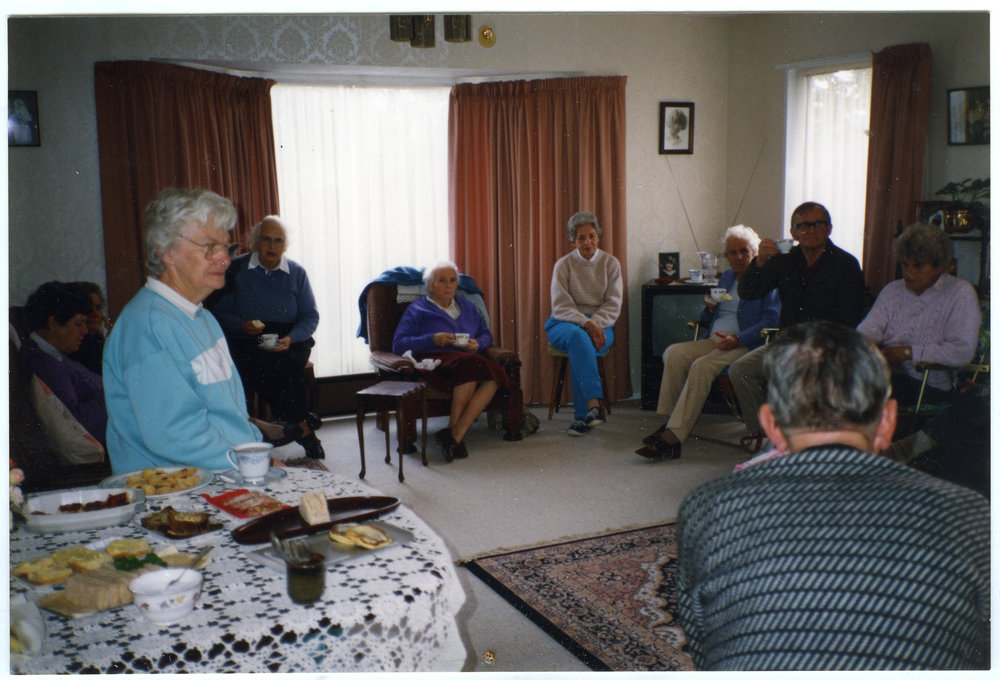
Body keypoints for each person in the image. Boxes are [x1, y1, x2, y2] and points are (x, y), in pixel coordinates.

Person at [676, 321, 990, 671]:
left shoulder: (707, 509)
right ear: (887, 422)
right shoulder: (968, 512)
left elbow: (703, 646)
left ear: (771, 425)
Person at [103, 188, 266, 473]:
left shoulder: (201, 316)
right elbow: (175, 433)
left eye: (226, 247)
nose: (225, 260)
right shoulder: (148, 326)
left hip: (223, 472)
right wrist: (249, 463)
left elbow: (227, 414)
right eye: (209, 247)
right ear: (166, 251)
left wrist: (254, 450)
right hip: (177, 488)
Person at [729, 201, 865, 452]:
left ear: (829, 229)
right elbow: (748, 292)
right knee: (741, 370)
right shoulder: (784, 261)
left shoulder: (845, 264)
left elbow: (852, 317)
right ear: (793, 232)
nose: (811, 230)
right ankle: (760, 430)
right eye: (804, 225)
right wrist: (759, 262)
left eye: (818, 224)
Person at [635, 225, 779, 460]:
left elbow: (771, 320)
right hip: (714, 339)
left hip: (743, 343)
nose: (738, 257)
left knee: (702, 366)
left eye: (744, 251)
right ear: (726, 256)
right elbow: (707, 317)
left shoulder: (766, 280)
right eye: (732, 252)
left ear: (754, 252)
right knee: (673, 353)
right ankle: (670, 422)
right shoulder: (728, 277)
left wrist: (738, 338)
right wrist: (709, 308)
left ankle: (672, 439)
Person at [211, 215, 323, 459]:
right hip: (248, 337)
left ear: (285, 245)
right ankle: (300, 427)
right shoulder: (237, 269)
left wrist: (292, 337)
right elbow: (220, 312)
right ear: (255, 242)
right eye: (266, 240)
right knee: (255, 364)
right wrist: (242, 326)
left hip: (289, 338)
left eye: (278, 241)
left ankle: (289, 426)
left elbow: (310, 316)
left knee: (283, 362)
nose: (272, 246)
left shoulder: (296, 273)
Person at [392, 261, 507, 462]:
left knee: (494, 376)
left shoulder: (468, 307)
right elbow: (399, 344)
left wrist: (477, 344)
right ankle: (454, 436)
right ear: (430, 285)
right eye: (442, 281)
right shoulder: (417, 309)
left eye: (452, 280)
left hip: (466, 360)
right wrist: (432, 339)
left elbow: (486, 335)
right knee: (471, 366)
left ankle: (454, 435)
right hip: (434, 361)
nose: (448, 285)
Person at [857, 223, 980, 404]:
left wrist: (910, 352)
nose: (909, 273)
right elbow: (867, 331)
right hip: (886, 376)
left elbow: (962, 351)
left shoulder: (960, 292)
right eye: (905, 265)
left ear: (939, 267)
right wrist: (866, 346)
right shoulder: (893, 290)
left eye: (918, 266)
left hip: (928, 384)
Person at [544, 210, 623, 436]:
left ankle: (582, 418)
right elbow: (561, 306)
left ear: (598, 237)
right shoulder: (563, 265)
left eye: (592, 236)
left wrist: (594, 323)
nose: (587, 242)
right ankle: (593, 406)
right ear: (573, 240)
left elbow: (613, 304)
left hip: (602, 323)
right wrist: (586, 324)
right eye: (581, 237)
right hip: (564, 322)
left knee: (580, 342)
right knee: (578, 337)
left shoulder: (610, 263)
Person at [20, 281, 108, 446]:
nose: (85, 331)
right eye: (78, 324)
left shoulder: (53, 354)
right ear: (53, 323)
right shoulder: (43, 364)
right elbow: (75, 423)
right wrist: (113, 393)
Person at [67, 281, 112, 375]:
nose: (95, 314)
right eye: (88, 308)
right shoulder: (74, 346)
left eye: (98, 308)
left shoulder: (99, 339)